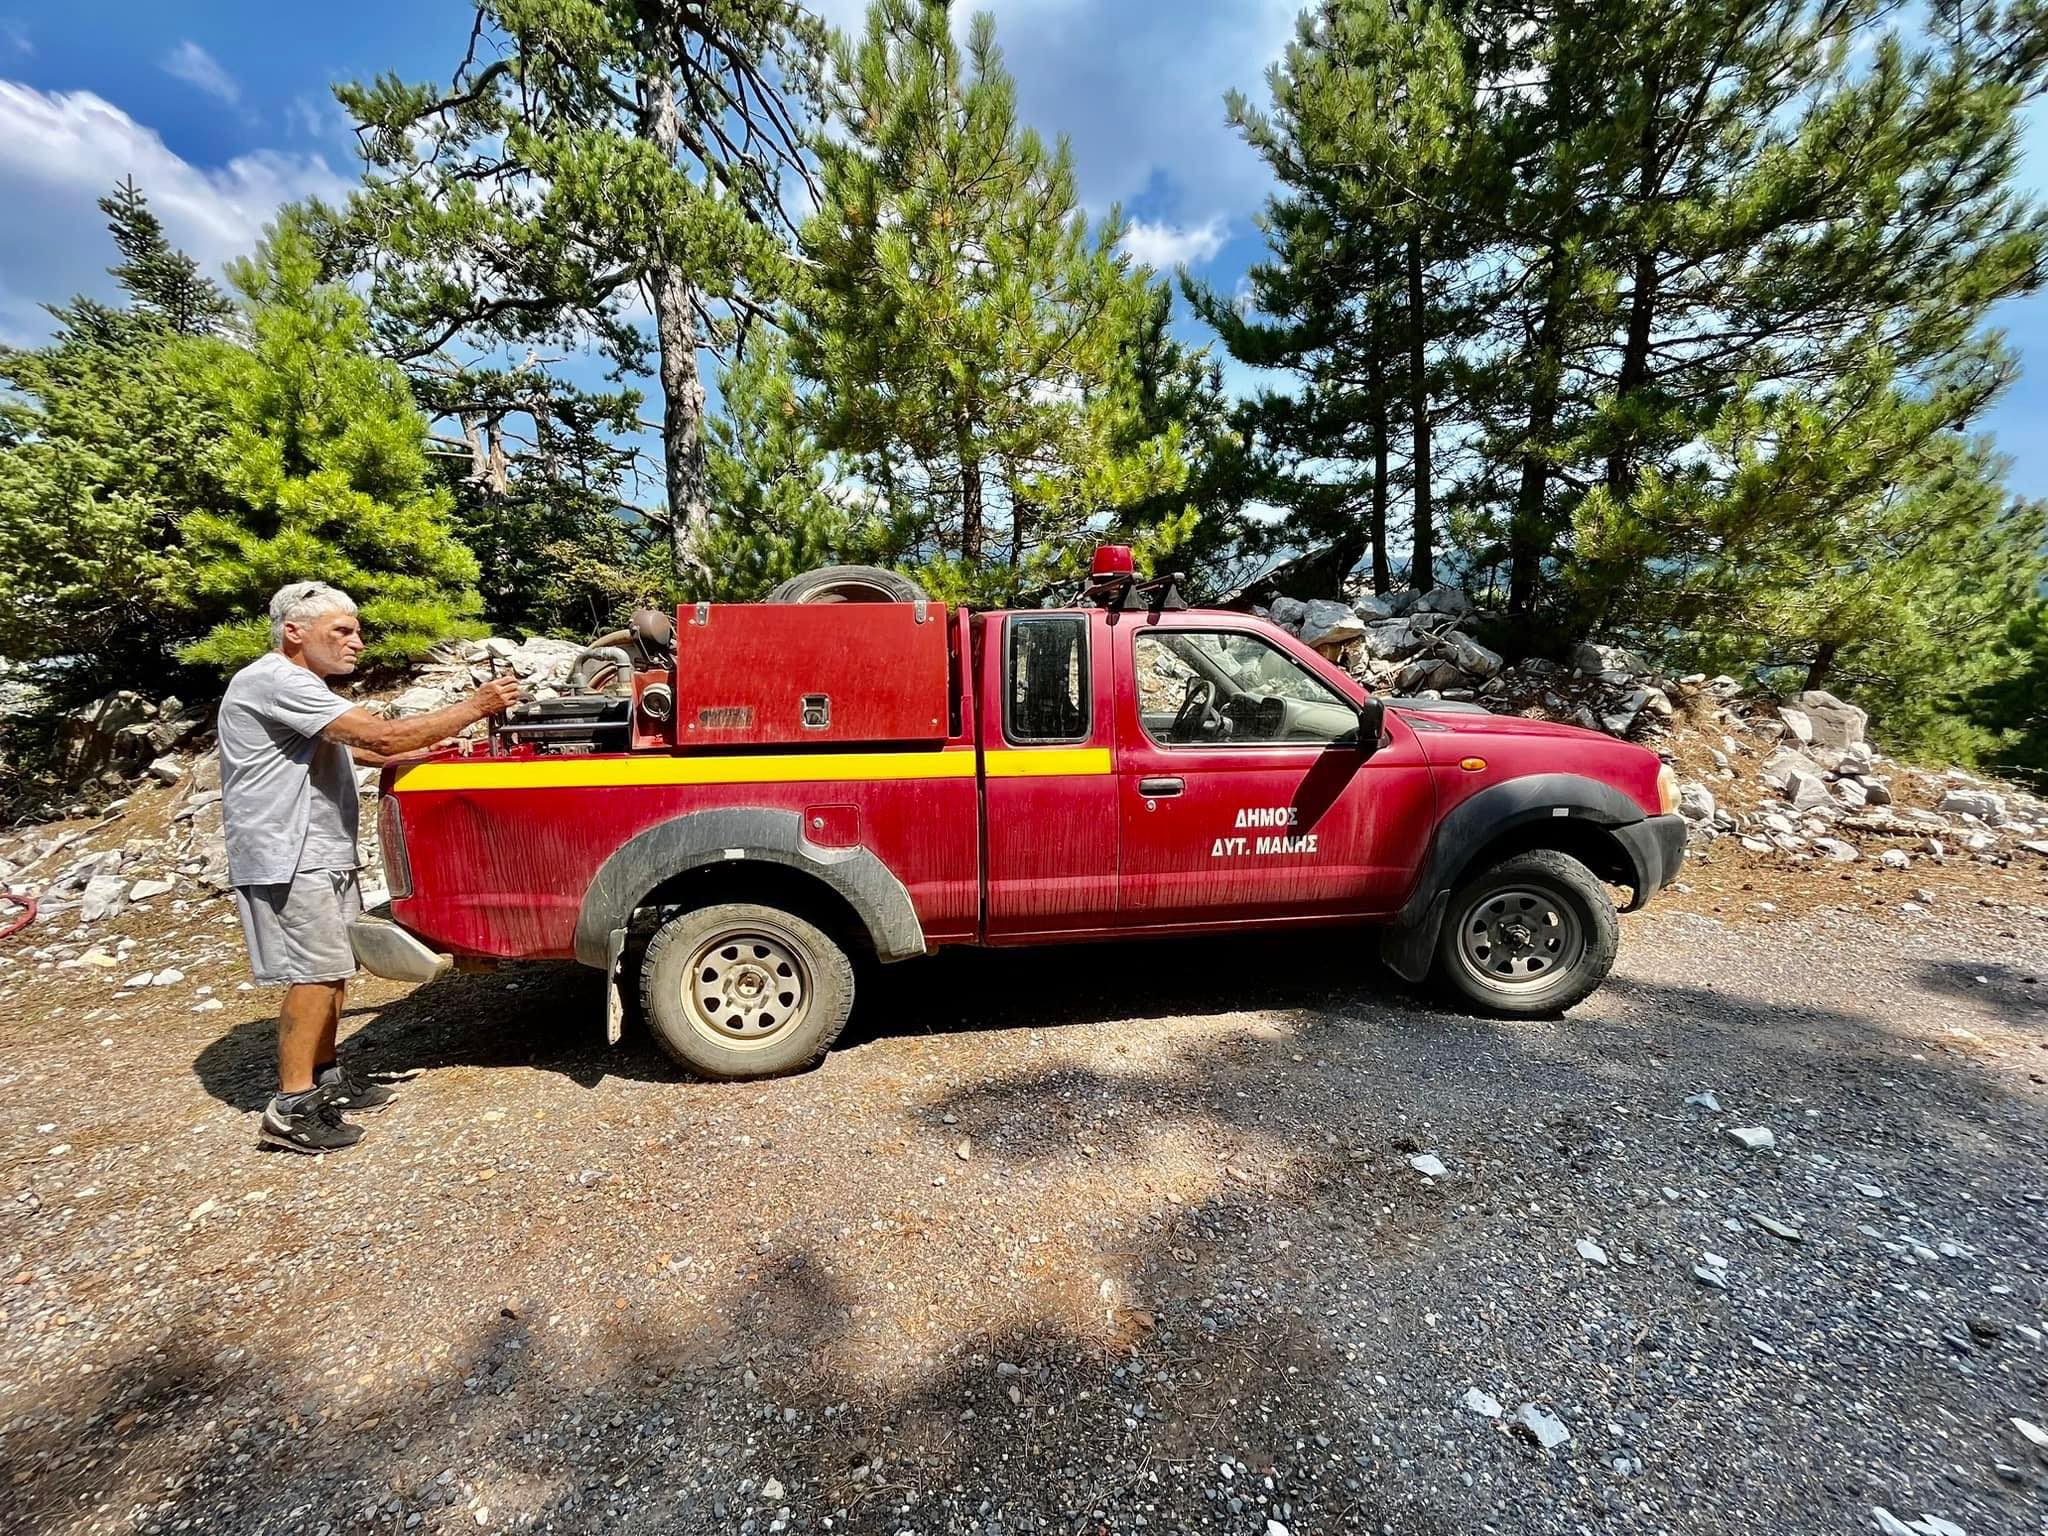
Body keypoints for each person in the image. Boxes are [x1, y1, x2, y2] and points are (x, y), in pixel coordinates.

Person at [217, 581, 521, 1154]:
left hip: (316, 848)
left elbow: (355, 748)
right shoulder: (276, 680)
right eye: (342, 631)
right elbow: (380, 734)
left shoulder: (300, 685)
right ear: (293, 632)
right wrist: (474, 708)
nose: (357, 642)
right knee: (314, 974)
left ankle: (326, 1076)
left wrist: (425, 754)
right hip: (288, 853)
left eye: (357, 630)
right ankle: (291, 1106)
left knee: (332, 968)